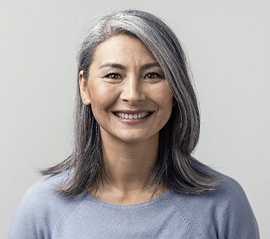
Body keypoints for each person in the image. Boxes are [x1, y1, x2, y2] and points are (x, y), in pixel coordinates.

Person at [9, 10, 260, 238]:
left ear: (176, 89)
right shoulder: (42, 208)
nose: (133, 94)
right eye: (113, 75)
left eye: (153, 75)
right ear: (84, 87)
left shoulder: (225, 204)